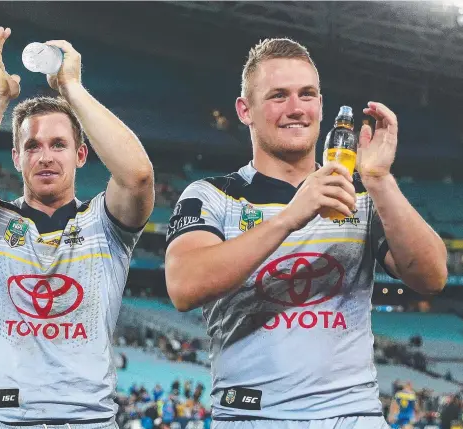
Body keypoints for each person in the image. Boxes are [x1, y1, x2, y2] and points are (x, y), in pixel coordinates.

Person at [165, 37, 447, 428]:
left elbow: (431, 276)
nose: (296, 109)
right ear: (245, 110)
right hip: (251, 414)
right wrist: (288, 217)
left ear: (320, 105)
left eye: (307, 94)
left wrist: (379, 179)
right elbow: (184, 286)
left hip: (352, 416)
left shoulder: (362, 194)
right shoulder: (212, 195)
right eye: (278, 96)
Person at [0, 27, 154, 428]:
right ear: (16, 157)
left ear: (81, 154)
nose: (45, 156)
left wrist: (72, 89)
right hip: (5, 418)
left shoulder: (105, 224)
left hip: (89, 421)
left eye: (59, 144)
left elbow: (138, 177)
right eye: (32, 146)